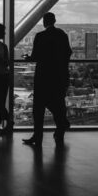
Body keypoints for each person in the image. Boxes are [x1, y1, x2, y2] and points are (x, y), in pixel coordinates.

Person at [22, 12, 72, 146]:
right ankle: (60, 130)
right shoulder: (62, 35)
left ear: (44, 22)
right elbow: (68, 53)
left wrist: (28, 58)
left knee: (38, 108)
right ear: (55, 20)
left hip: (43, 76)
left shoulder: (40, 36)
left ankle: (37, 136)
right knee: (58, 103)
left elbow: (35, 57)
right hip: (59, 76)